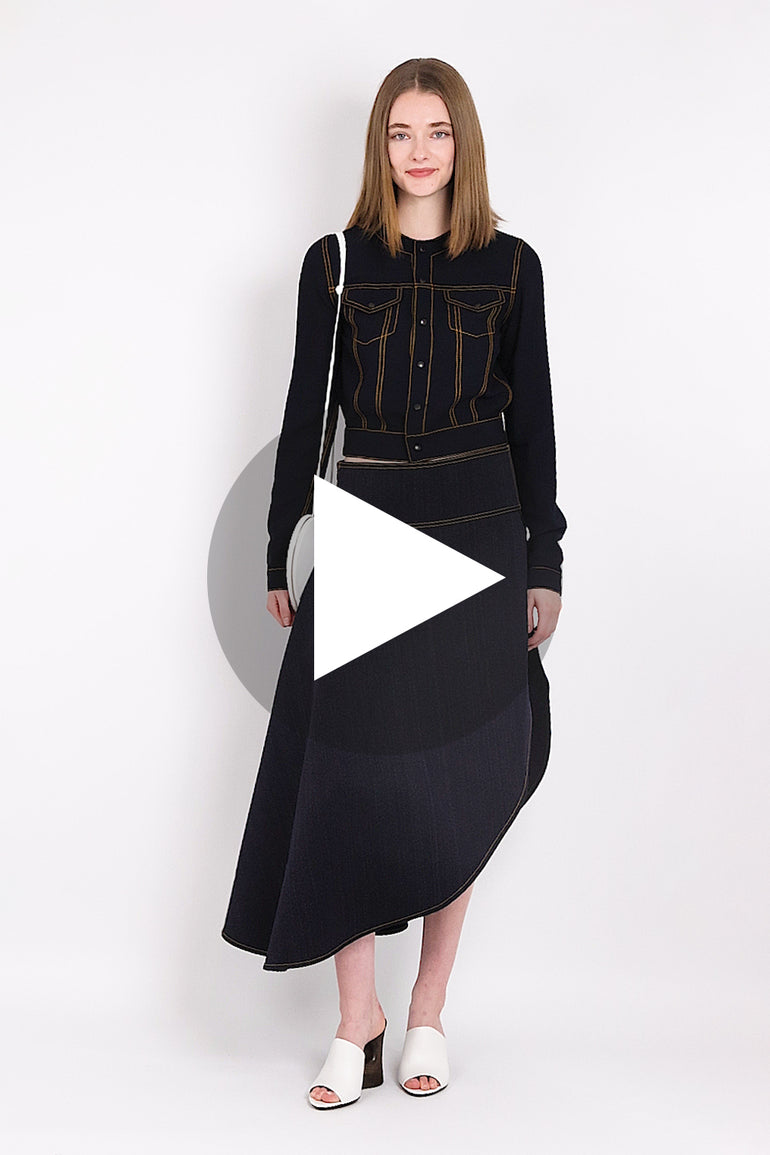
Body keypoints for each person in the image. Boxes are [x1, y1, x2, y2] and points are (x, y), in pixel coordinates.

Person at [221, 57, 567, 1108]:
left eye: (437, 132)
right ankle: (355, 1019)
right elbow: (305, 413)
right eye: (400, 134)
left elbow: (535, 426)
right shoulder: (333, 263)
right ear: (378, 146)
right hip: (369, 532)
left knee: (463, 779)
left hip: (479, 538)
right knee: (348, 783)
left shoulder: (512, 265)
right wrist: (281, 541)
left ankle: (427, 1010)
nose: (419, 152)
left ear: (463, 143)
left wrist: (543, 561)